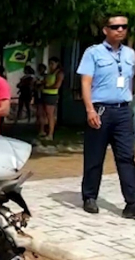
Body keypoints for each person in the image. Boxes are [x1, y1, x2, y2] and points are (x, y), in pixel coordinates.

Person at [77, 14, 135, 218]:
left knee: (126, 157)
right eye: (115, 27)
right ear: (105, 30)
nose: (120, 30)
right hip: (101, 110)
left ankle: (132, 202)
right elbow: (85, 82)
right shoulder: (93, 53)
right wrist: (90, 109)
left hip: (123, 111)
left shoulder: (130, 54)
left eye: (124, 26)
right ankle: (90, 197)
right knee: (94, 156)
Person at [40, 57, 64, 140]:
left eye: (52, 64)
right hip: (45, 94)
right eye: (49, 64)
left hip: (52, 95)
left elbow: (57, 85)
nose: (50, 66)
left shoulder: (59, 73)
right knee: (43, 114)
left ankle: (50, 134)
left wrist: (47, 87)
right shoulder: (49, 73)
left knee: (50, 115)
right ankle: (42, 131)